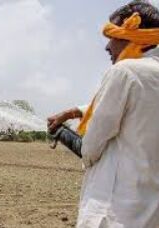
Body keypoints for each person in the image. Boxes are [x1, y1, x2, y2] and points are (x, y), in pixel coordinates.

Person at [48, 1, 159, 227]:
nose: (108, 46)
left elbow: (90, 149)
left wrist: (61, 133)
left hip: (113, 214)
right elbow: (136, 106)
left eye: (113, 36)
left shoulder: (124, 71)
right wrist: (73, 112)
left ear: (133, 35)